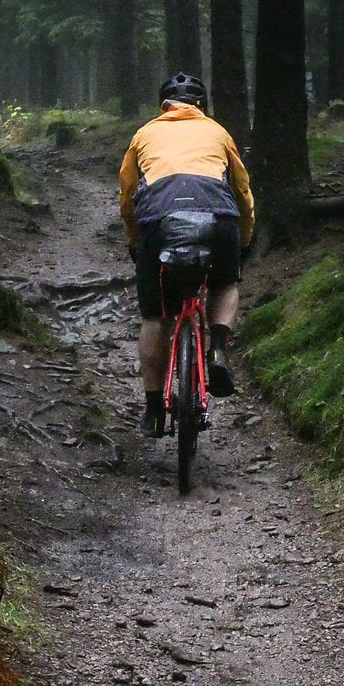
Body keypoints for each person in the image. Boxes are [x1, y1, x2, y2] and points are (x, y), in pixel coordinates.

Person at [118, 72, 255, 437]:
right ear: (201, 105)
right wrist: (243, 236)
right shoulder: (217, 131)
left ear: (162, 105)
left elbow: (128, 192)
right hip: (218, 217)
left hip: (159, 221)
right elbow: (241, 189)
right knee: (224, 283)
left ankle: (152, 410)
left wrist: (136, 237)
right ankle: (218, 349)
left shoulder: (144, 133)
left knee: (154, 316)